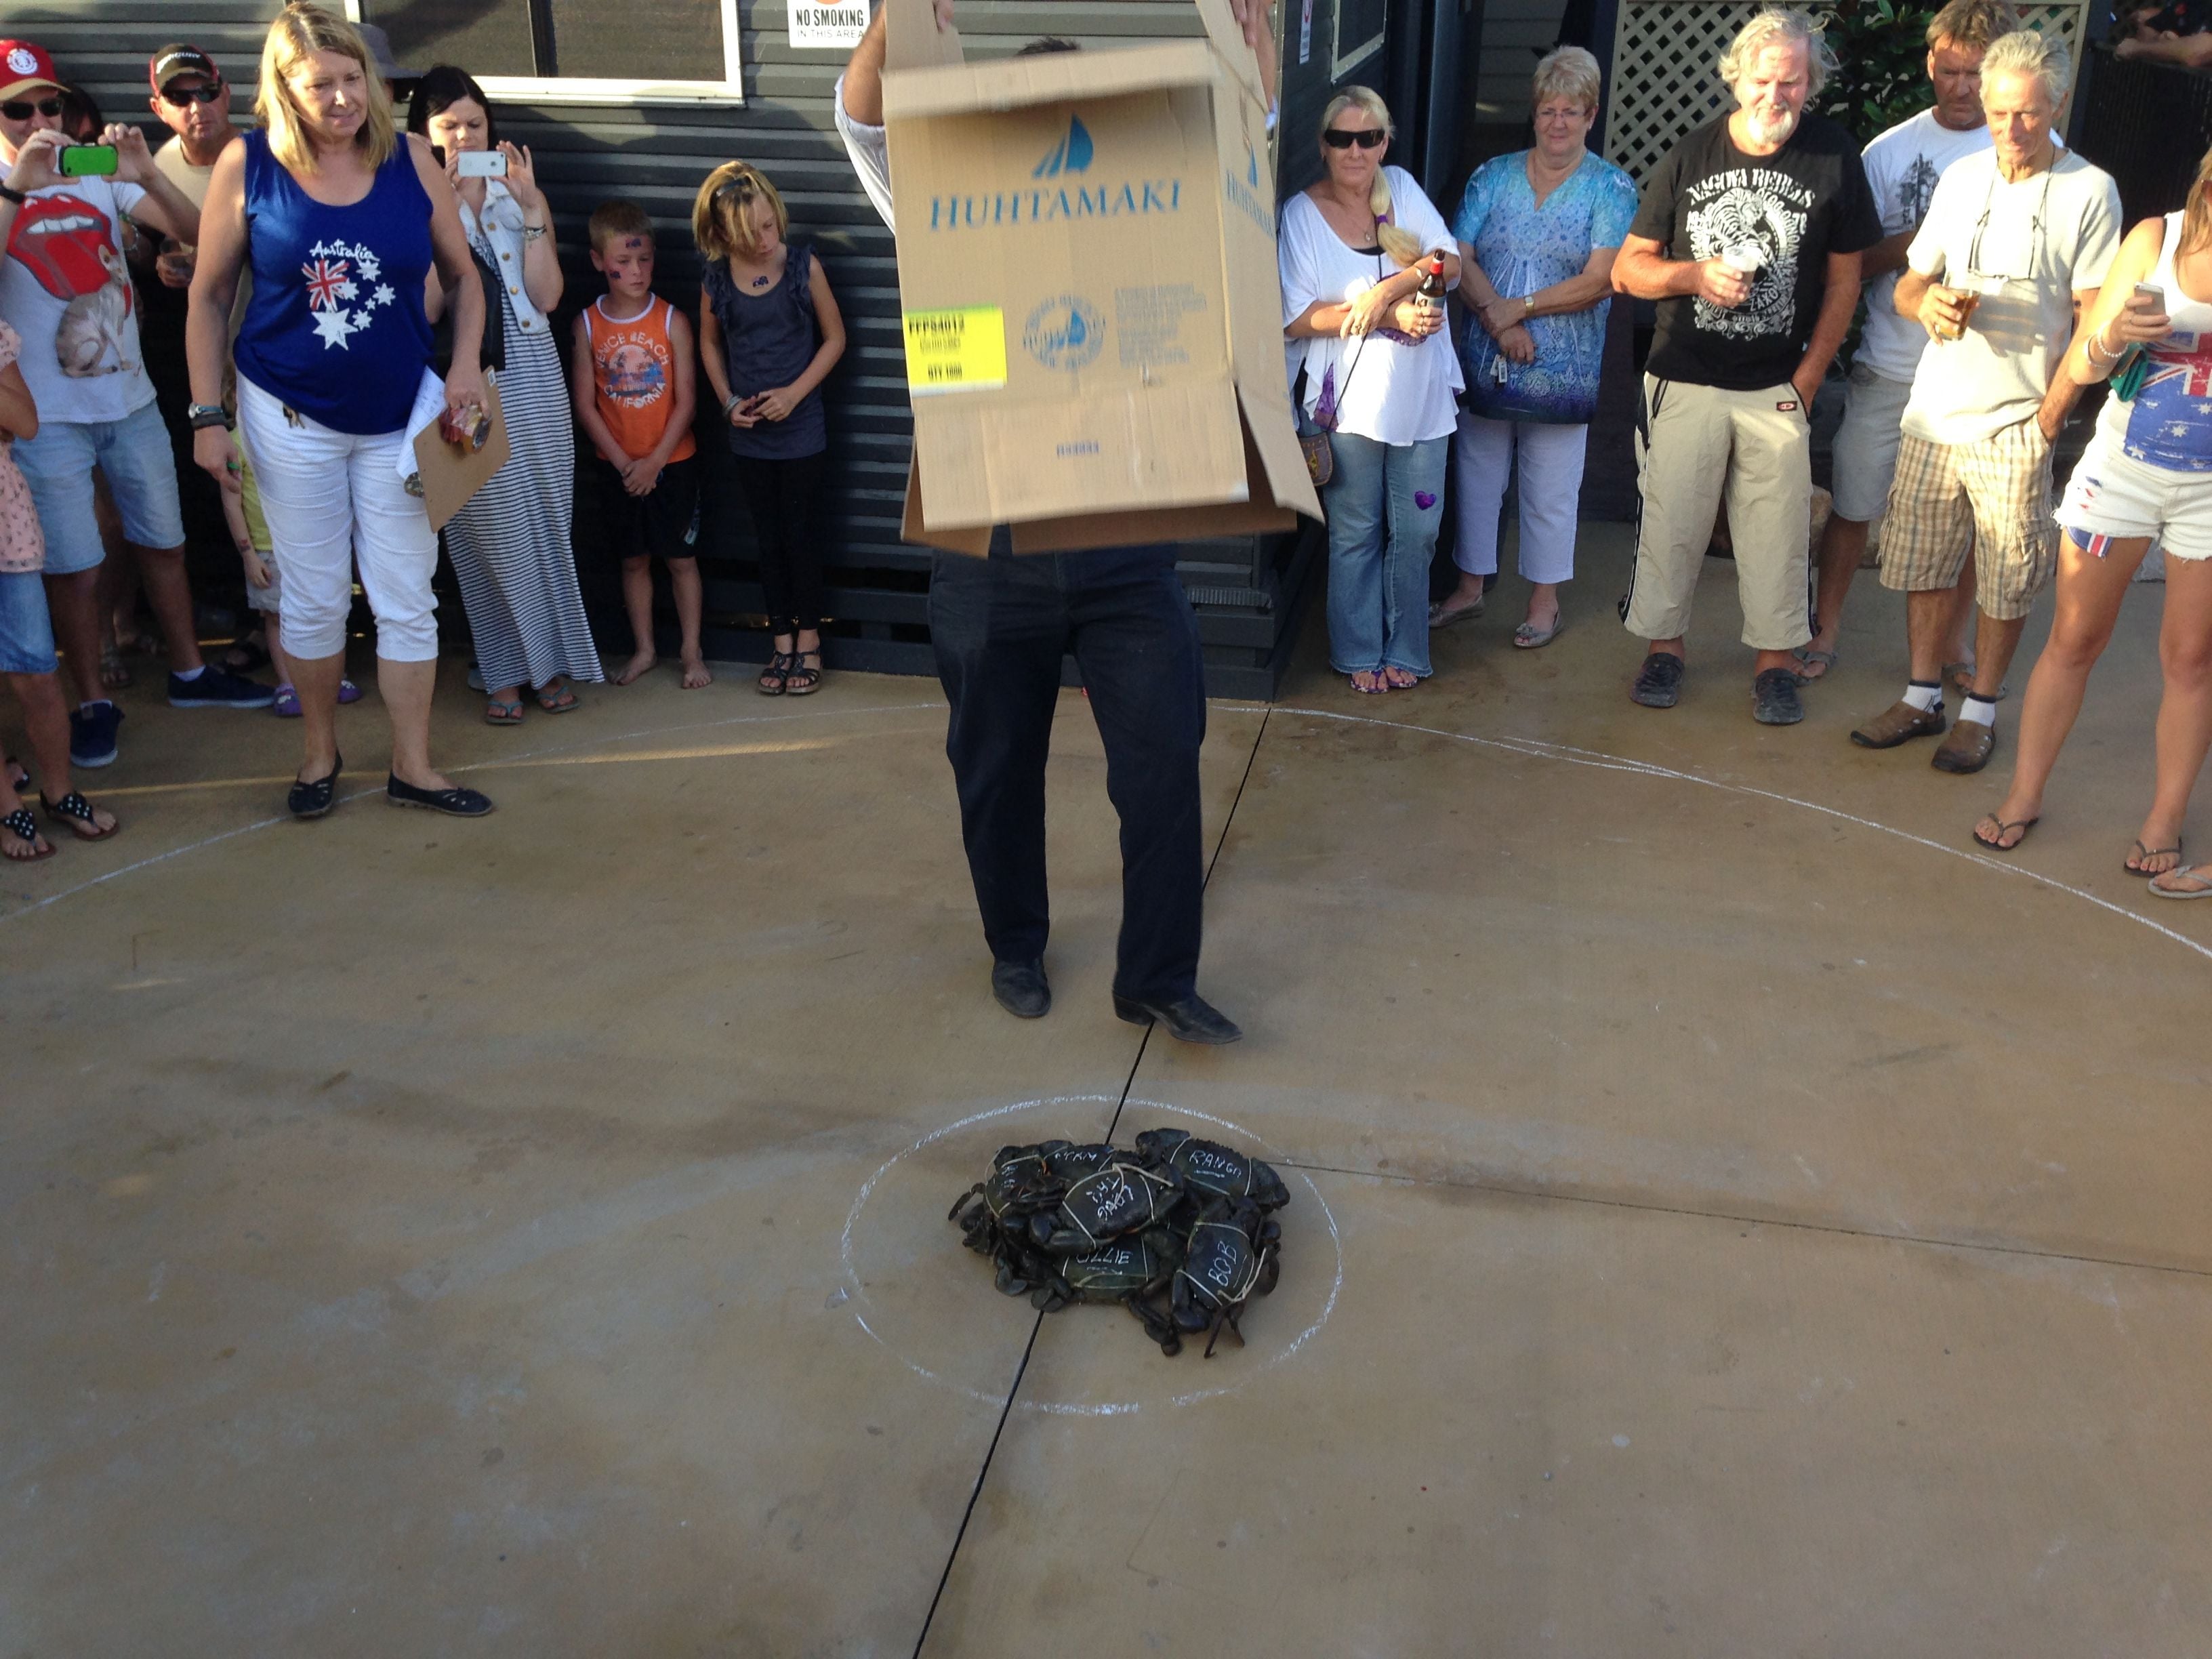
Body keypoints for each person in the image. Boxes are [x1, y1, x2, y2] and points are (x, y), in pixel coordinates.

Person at [836, 0, 1276, 1042]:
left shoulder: (1147, 217)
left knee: (1163, 763)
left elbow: (1241, 155)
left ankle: (1156, 977)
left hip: (1124, 543)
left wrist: (1256, 57)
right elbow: (862, 124)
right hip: (988, 543)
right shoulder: (948, 205)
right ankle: (1016, 948)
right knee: (996, 771)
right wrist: (892, 23)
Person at [186, 4, 493, 819]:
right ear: (283, 87)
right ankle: (319, 754)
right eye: (320, 83)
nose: (343, 97)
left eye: (353, 78)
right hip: (289, 418)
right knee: (315, 599)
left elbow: (465, 278)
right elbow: (208, 295)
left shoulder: (414, 160)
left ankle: (414, 766)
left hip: (402, 418)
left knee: (407, 598)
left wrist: (465, 366)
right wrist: (205, 416)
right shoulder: (247, 164)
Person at [1849, 30, 2118, 775]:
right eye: (2000, 113)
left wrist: (2050, 418)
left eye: (2027, 113)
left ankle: (1981, 710)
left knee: (2007, 573)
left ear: (2058, 103)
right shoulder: (1964, 177)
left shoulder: (2089, 190)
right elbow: (1908, 285)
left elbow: (2095, 319)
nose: (2011, 128)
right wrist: (1927, 304)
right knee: (1925, 563)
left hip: (2018, 420)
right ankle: (1921, 696)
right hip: (1935, 412)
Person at [2, 37, 270, 772]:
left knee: (164, 541)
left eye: (49, 105)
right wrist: (18, 187)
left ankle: (189, 672)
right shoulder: (5, 181)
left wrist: (145, 172)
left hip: (130, 399)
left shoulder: (91, 169)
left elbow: (202, 236)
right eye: (18, 111)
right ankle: (93, 701)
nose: (38, 122)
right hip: (46, 416)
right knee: (76, 567)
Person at [1611, 6, 1881, 725]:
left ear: (1810, 84)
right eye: (1763, 80)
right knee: (1671, 520)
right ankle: (1664, 651)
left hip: (1777, 382)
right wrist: (1694, 276)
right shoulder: (1692, 153)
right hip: (1685, 374)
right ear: (1737, 79)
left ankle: (1775, 665)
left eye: (1791, 82)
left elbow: (1846, 281)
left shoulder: (1833, 156)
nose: (1776, 95)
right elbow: (1628, 270)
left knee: (1779, 532)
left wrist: (1810, 379)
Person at [1971, 142, 2212, 894]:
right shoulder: (2157, 239)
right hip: (2123, 474)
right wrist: (2116, 335)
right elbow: (2087, 361)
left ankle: (2164, 818)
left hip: (2209, 493)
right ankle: (2025, 794)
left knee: (2191, 660)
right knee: (2074, 638)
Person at [1801, 0, 2020, 687]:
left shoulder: (2020, 150)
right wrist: (1922, 241)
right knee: (1853, 502)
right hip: (1891, 361)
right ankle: (1825, 626)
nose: (1962, 88)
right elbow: (1849, 263)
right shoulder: (1889, 151)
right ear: (1929, 63)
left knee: (1971, 521)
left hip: (1983, 372)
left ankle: (1950, 645)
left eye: (1976, 75)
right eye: (1950, 71)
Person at [409, 66, 600, 726]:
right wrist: (446, 206)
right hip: (469, 377)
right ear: (423, 134)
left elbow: (547, 296)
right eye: (448, 126)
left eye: (474, 124)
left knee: (545, 519)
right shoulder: (411, 199)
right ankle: (504, 671)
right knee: (487, 528)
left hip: (537, 372)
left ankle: (547, 664)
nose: (463, 137)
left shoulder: (513, 194)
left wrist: (534, 208)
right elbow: (427, 306)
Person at [1435, 45, 1635, 649]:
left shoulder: (1610, 188)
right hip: (1487, 356)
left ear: (1591, 115)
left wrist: (1518, 308)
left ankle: (1544, 602)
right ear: (1534, 112)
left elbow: (1601, 279)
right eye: (1548, 110)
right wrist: (1500, 324)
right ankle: (1470, 587)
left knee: (1551, 486)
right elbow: (1457, 255)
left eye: (1571, 111)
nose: (1558, 123)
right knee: (1477, 473)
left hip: (1563, 369)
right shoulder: (1492, 176)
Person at [1282, 87, 1461, 693]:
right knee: (1356, 531)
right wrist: (1389, 316)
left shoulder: (1401, 189)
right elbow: (1296, 318)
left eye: (1368, 138)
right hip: (1349, 405)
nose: (1355, 151)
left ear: (1384, 144)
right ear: (1323, 146)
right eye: (1342, 139)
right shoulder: (1302, 214)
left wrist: (1390, 288)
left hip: (1423, 398)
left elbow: (1451, 263)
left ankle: (1407, 648)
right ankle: (1358, 649)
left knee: (1419, 530)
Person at [695, 160, 845, 697]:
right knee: (768, 539)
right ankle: (780, 642)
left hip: (802, 434)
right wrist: (727, 401)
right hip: (749, 437)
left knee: (801, 537)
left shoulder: (804, 267)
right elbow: (708, 342)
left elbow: (835, 339)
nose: (766, 239)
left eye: (770, 224)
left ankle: (810, 643)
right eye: (751, 233)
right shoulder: (717, 279)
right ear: (722, 235)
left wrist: (794, 394)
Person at [572, 199, 705, 690]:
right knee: (633, 560)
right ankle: (645, 649)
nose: (635, 270)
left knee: (681, 560)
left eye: (644, 259)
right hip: (619, 469)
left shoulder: (672, 320)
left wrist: (654, 462)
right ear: (598, 261)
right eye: (623, 261)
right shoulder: (587, 324)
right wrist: (626, 463)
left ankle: (691, 651)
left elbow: (687, 401)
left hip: (675, 463)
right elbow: (585, 404)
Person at [0, 314, 119, 859]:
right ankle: (8, 806)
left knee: (38, 673)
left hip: (6, 528)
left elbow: (24, 422)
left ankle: (58, 789)